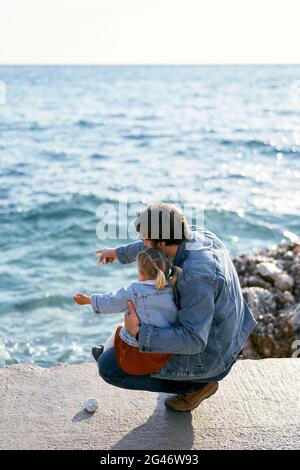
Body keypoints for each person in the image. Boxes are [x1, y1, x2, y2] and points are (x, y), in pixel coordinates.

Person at [94, 202, 257, 412]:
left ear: (161, 243)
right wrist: (118, 253)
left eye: (146, 239)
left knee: (109, 368)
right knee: (147, 308)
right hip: (226, 334)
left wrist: (138, 333)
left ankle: (196, 385)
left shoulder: (194, 277)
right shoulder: (195, 235)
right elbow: (150, 247)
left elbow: (193, 340)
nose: (143, 242)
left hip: (212, 356)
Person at [74, 248, 182, 376]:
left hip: (138, 354)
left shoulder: (135, 290)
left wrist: (88, 300)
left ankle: (102, 353)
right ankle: (103, 351)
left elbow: (111, 301)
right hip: (164, 353)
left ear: (141, 274)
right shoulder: (173, 288)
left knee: (120, 329)